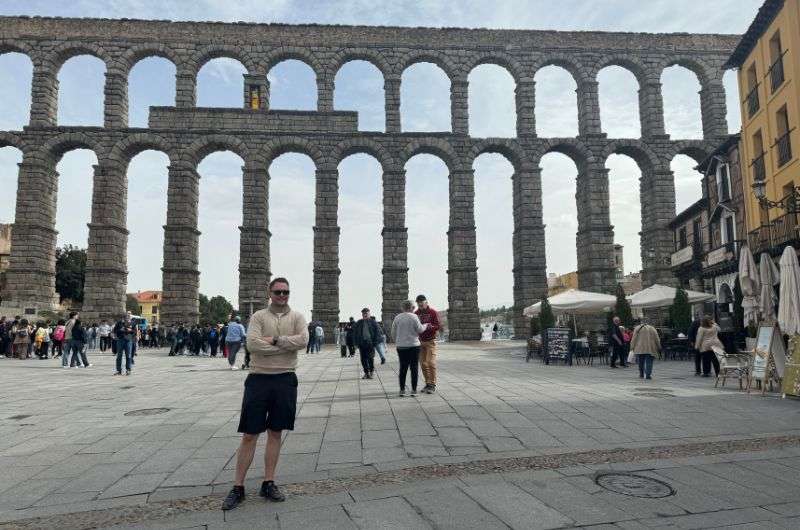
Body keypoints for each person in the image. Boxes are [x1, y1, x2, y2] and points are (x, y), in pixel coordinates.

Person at [222, 277, 308, 511]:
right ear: (269, 293)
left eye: (286, 292)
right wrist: (284, 345)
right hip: (258, 379)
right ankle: (238, 486)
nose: (282, 295)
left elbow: (303, 341)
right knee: (250, 434)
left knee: (276, 432)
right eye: (278, 292)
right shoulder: (258, 316)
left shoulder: (298, 317)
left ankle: (268, 482)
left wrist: (276, 340)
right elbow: (252, 345)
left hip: (285, 379)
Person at [391, 300, 430, 397]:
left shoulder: (397, 317)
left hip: (401, 346)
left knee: (403, 368)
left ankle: (402, 390)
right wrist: (425, 325)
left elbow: (393, 332)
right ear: (412, 307)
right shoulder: (414, 317)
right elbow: (420, 329)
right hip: (413, 346)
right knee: (414, 368)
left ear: (402, 308)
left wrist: (398, 341)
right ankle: (413, 390)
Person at [414, 295, 441, 394]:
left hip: (430, 341)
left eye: (422, 303)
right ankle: (428, 384)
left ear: (426, 302)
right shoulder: (415, 314)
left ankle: (432, 384)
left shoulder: (433, 312)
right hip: (420, 342)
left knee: (430, 362)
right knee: (423, 363)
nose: (420, 305)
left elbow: (438, 325)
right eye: (419, 304)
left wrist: (430, 326)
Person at [354, 308, 381, 379]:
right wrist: (356, 343)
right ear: (362, 314)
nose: (365, 315)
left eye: (366, 313)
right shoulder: (359, 322)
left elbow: (377, 333)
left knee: (370, 358)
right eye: (363, 313)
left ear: (369, 314)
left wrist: (375, 343)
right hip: (362, 343)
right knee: (363, 359)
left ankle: (371, 372)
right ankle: (366, 373)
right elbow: (355, 333)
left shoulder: (373, 322)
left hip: (370, 343)